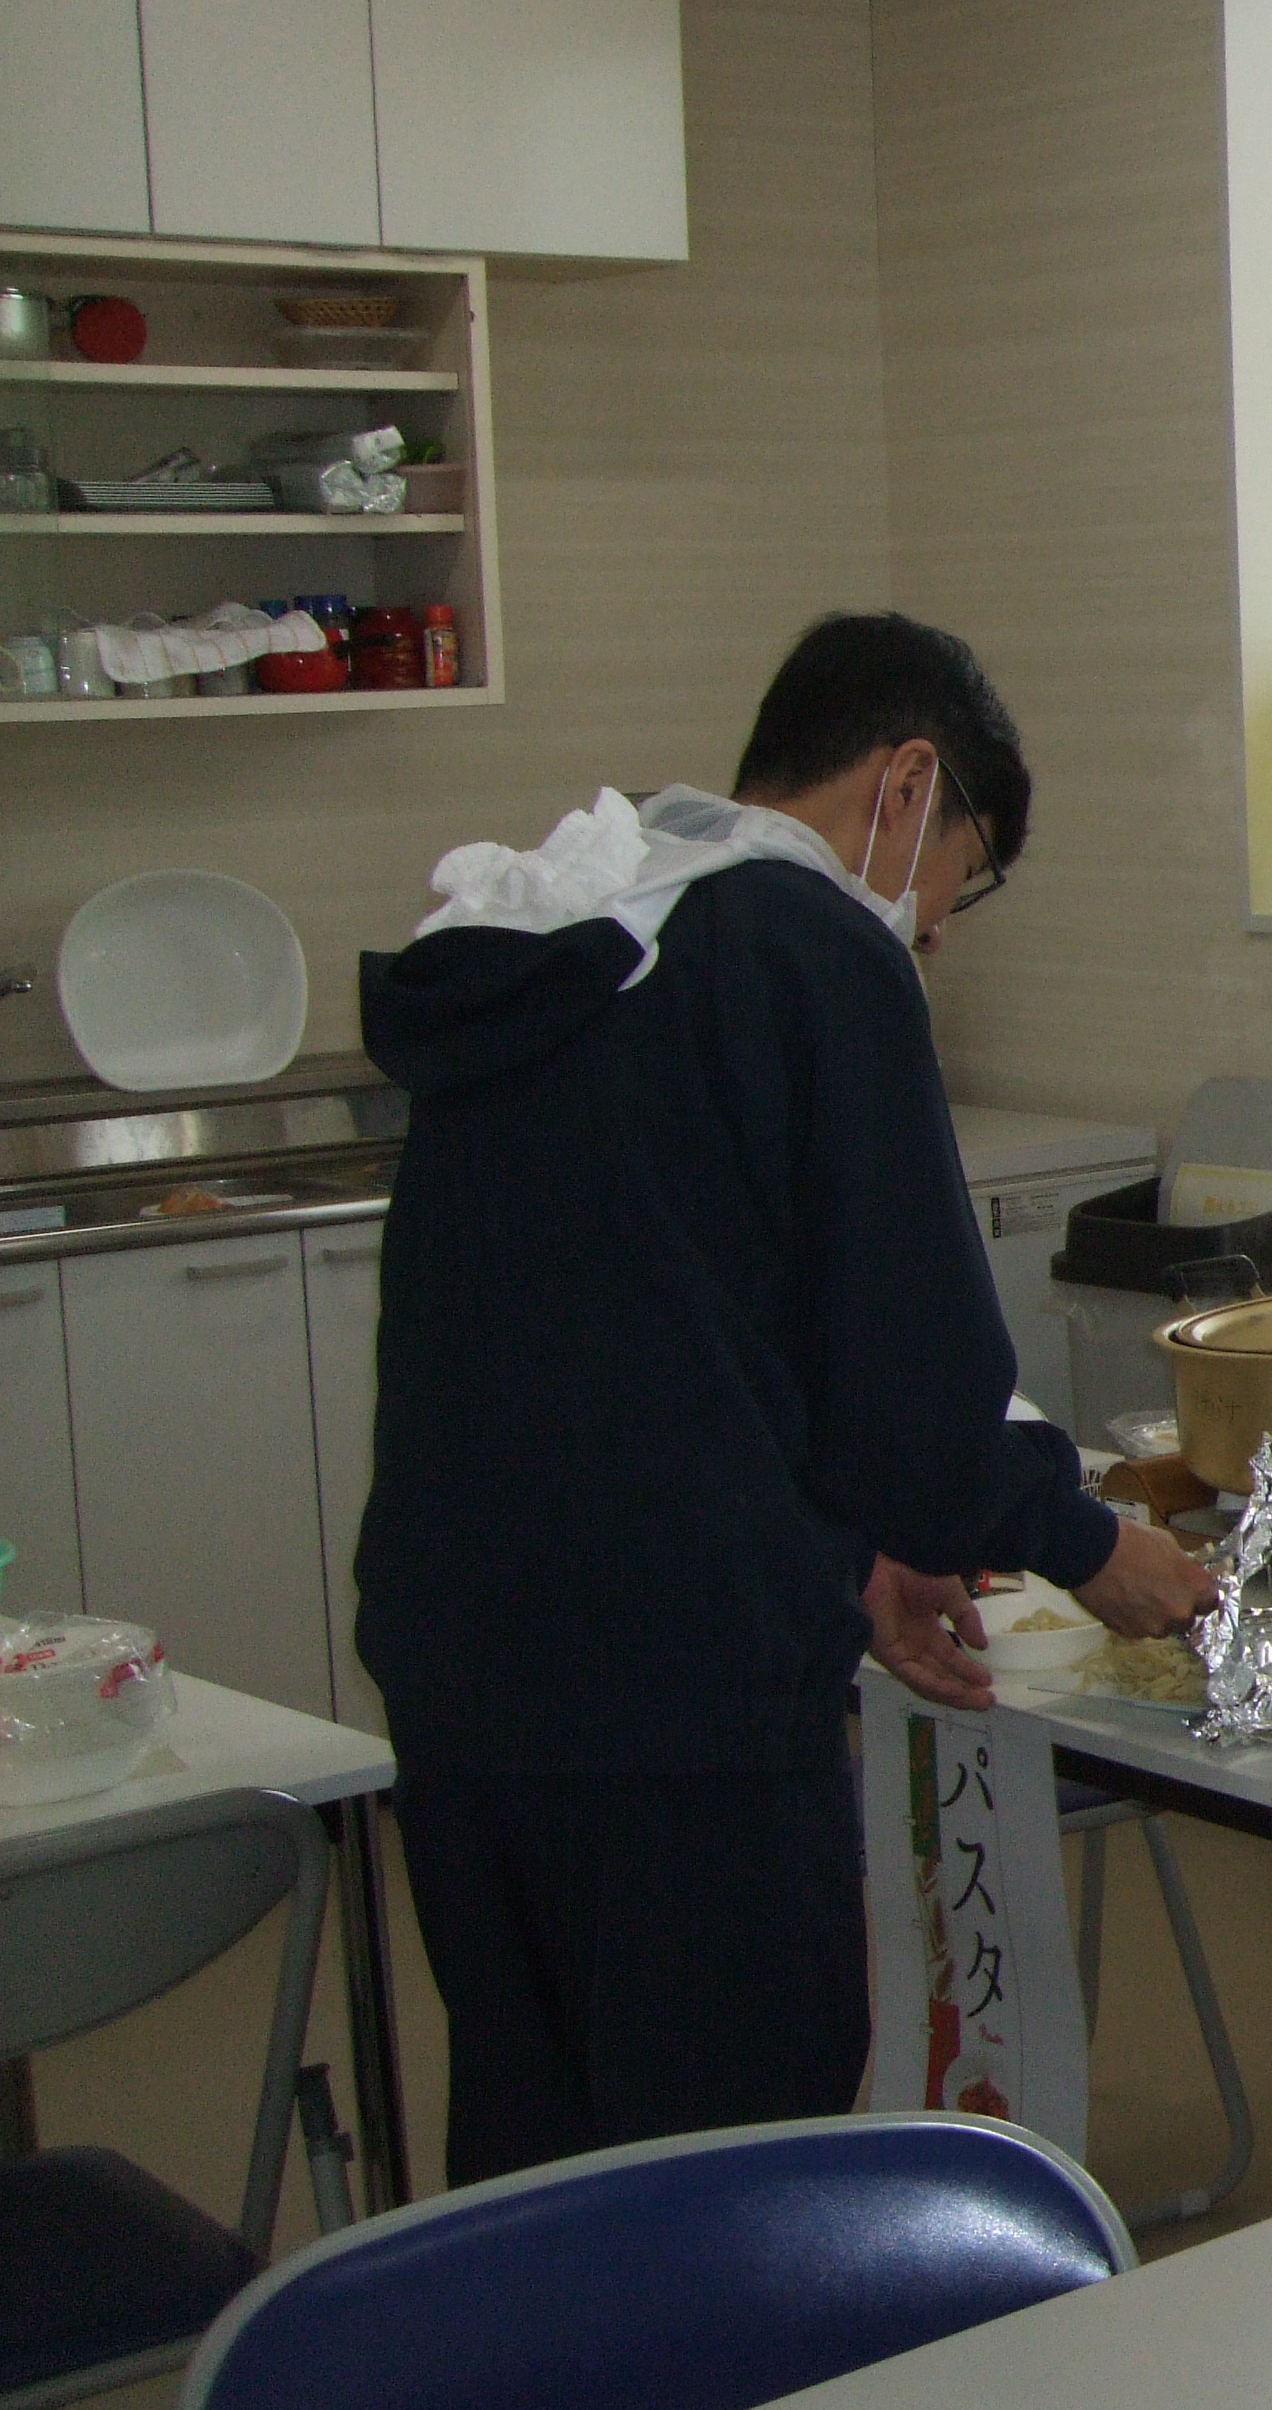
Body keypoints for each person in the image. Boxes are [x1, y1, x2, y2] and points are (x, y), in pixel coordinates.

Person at [355, 612, 1211, 2184]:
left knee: (539, 2141)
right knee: (728, 2162)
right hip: (679, 1686)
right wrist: (1089, 1546)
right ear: (908, 783)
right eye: (961, 874)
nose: (936, 926)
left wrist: (854, 1548)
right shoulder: (812, 950)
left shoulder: (569, 929)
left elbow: (672, 1324)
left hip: (466, 1664)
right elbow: (912, 1375)